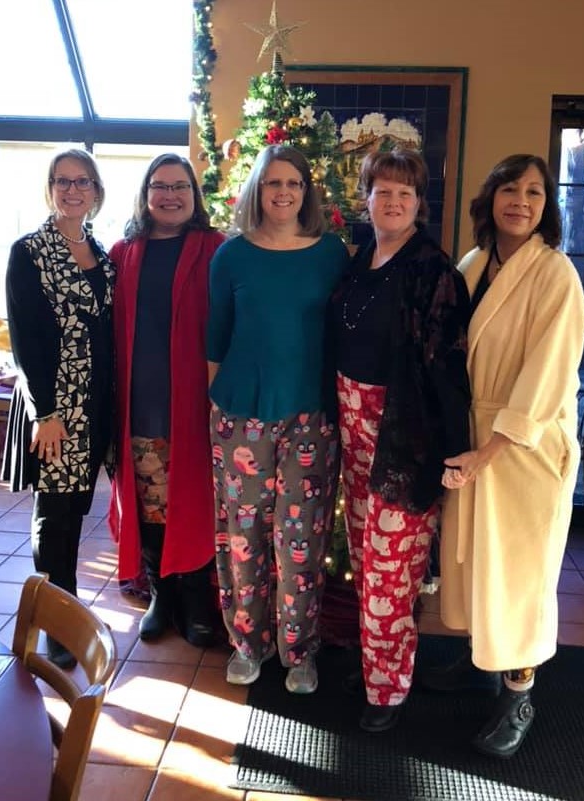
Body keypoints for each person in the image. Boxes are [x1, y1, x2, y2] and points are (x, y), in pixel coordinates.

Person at [433, 154, 584, 758]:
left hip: (523, 445)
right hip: (474, 438)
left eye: (534, 192)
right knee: (475, 564)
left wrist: (490, 450)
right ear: (490, 198)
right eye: (509, 189)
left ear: (546, 207)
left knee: (520, 573)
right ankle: (482, 658)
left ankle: (518, 692)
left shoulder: (557, 275)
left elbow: (548, 375)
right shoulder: (474, 264)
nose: (520, 201)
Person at [332, 149, 471, 732]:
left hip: (403, 434)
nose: (392, 202)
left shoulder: (434, 271)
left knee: (392, 568)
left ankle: (386, 692)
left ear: (419, 203)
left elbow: (446, 368)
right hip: (351, 424)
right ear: (365, 197)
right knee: (367, 558)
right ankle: (376, 661)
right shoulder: (362, 256)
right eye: (383, 191)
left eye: (405, 194)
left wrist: (448, 452)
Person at [208, 144, 349, 694]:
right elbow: (215, 338)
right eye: (273, 183)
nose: (284, 192)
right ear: (257, 191)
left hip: (311, 418)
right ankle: (248, 643)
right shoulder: (232, 256)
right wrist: (215, 401)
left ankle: (299, 650)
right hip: (240, 417)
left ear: (307, 191)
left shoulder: (332, 254)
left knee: (301, 543)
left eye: (293, 183)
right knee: (243, 538)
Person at [1, 149, 114, 669]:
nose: (73, 190)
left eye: (83, 181)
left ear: (96, 190)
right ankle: (55, 624)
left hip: (97, 405)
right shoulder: (29, 251)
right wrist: (46, 413)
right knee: (56, 514)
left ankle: (67, 611)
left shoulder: (100, 252)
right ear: (49, 188)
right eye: (63, 181)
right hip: (57, 408)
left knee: (77, 509)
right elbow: (25, 340)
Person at [109, 153, 225, 647]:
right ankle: (162, 593)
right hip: (140, 401)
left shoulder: (216, 248)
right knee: (151, 504)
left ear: (193, 195)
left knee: (196, 502)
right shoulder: (123, 252)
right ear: (146, 192)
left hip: (197, 403)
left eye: (180, 186)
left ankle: (197, 598)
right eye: (160, 186)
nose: (170, 195)